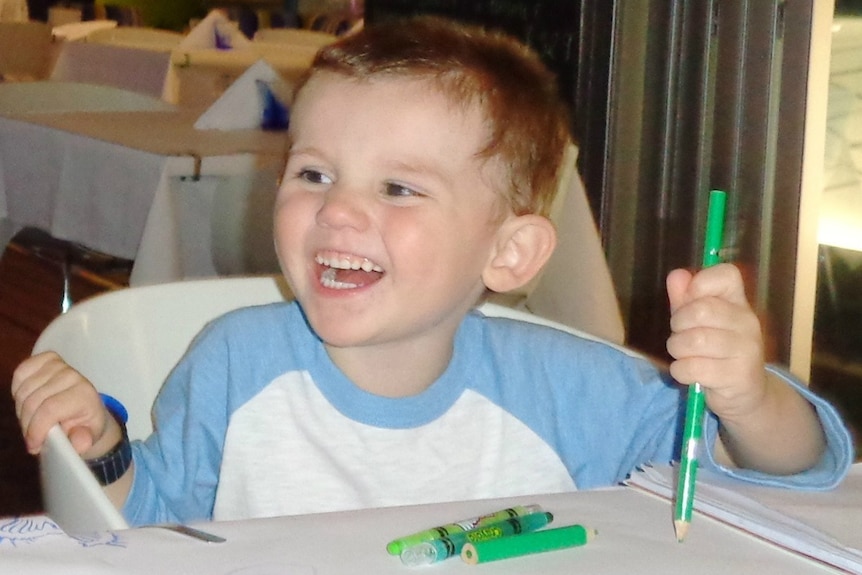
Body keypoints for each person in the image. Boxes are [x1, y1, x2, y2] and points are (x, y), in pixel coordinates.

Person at [11, 16, 853, 525]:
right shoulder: (233, 366)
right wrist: (106, 449)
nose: (338, 211)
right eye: (314, 173)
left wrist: (748, 398)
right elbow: (147, 521)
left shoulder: (566, 391)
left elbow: (795, 471)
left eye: (399, 187)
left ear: (509, 253)